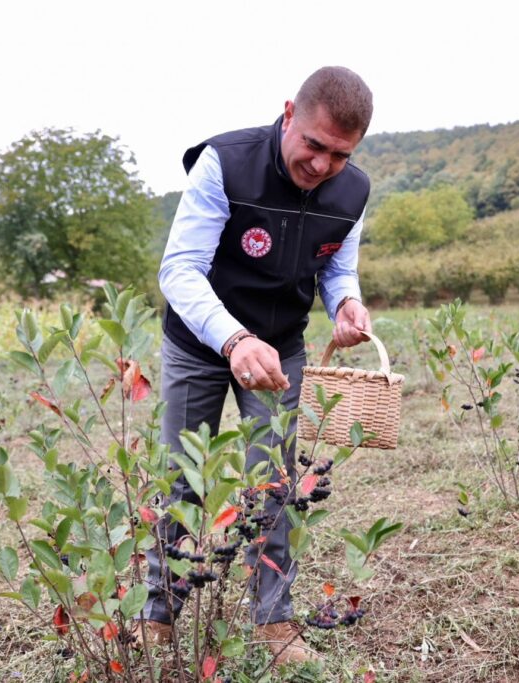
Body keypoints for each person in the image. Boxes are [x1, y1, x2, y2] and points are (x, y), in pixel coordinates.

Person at [139, 66, 374, 665]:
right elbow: (180, 270)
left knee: (275, 483)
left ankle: (273, 622)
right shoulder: (225, 162)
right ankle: (159, 620)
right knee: (182, 480)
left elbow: (336, 265)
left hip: (282, 349)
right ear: (289, 112)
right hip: (199, 343)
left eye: (339, 155)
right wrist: (233, 339)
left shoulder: (353, 192)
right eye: (314, 145)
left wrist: (346, 303)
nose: (322, 165)